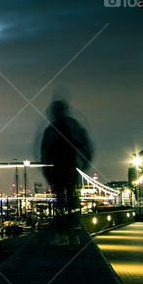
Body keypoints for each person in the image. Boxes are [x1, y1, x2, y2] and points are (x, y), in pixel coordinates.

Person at [40, 100, 92, 242]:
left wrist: (46, 170)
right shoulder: (72, 126)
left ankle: (62, 229)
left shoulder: (51, 129)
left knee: (61, 199)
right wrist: (85, 161)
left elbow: (44, 151)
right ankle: (71, 226)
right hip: (69, 167)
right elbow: (84, 143)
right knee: (70, 197)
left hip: (59, 169)